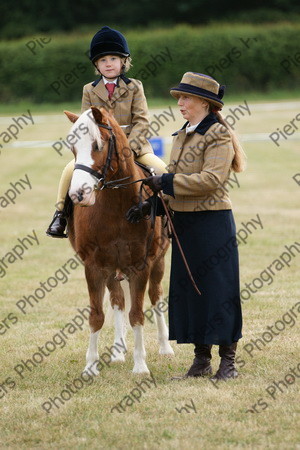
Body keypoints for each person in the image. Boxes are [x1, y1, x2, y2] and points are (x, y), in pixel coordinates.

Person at [126, 72, 246, 381]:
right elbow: (176, 183)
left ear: (204, 102)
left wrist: (164, 181)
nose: (180, 103)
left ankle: (228, 362)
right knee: (189, 291)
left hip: (211, 221)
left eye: (186, 98)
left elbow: (211, 180)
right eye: (179, 97)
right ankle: (201, 360)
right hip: (184, 224)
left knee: (218, 290)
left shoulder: (218, 133)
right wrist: (150, 206)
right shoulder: (182, 133)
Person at [46, 26, 167, 238]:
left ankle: (170, 217)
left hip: (133, 146)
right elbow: (86, 123)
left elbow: (141, 120)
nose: (108, 63)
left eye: (113, 58)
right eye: (103, 60)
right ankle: (60, 215)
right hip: (100, 149)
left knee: (161, 168)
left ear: (123, 62)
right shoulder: (89, 90)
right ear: (97, 65)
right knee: (69, 171)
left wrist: (128, 148)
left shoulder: (135, 87)